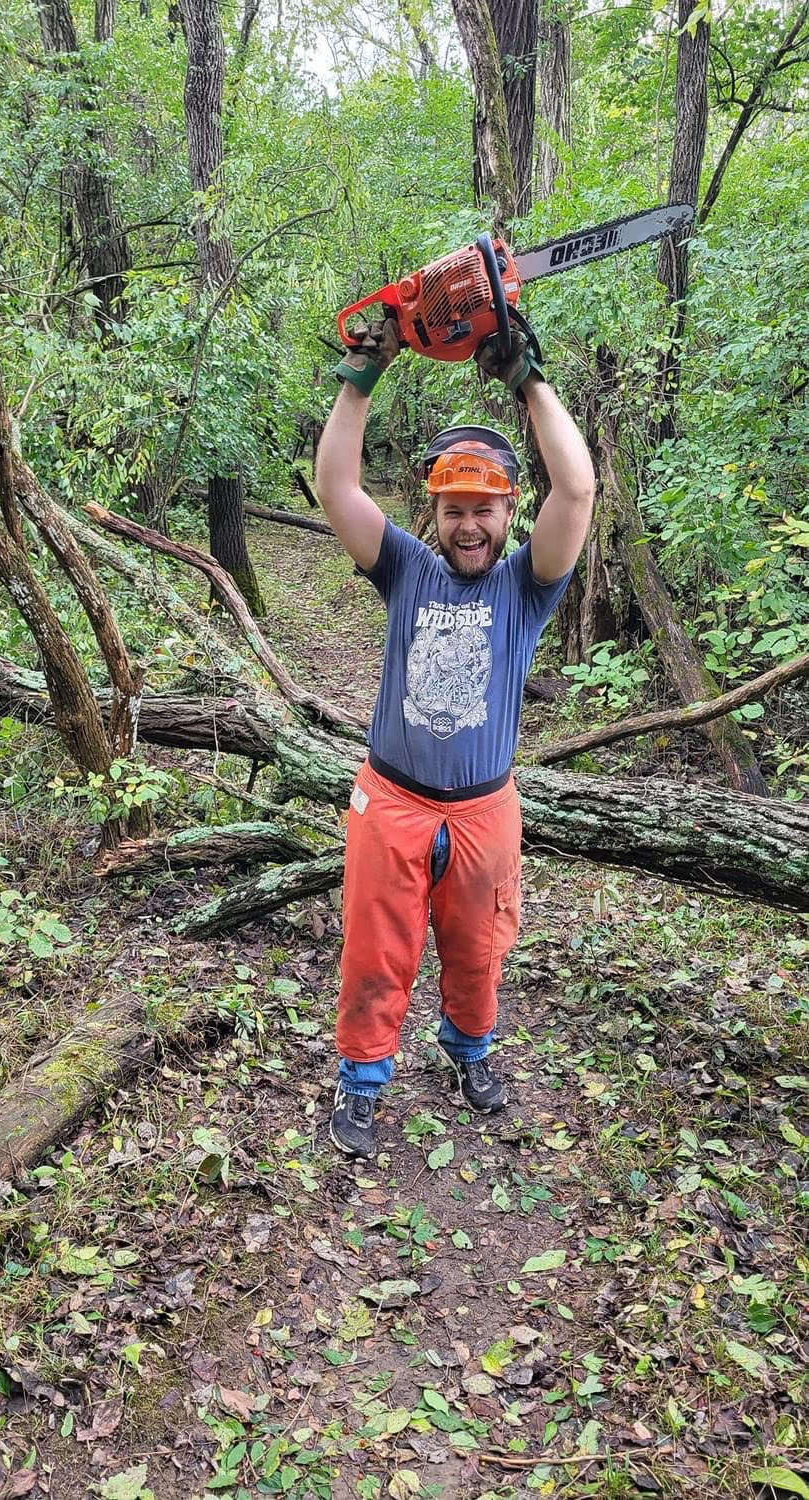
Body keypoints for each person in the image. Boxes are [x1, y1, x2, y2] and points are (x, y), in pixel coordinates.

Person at [314, 316, 594, 1159]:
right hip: (392, 799)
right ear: (432, 511)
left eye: (484, 509)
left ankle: (468, 1048)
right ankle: (362, 1079)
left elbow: (576, 492)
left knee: (478, 949)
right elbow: (336, 488)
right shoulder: (404, 565)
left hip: (482, 811)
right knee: (375, 948)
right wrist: (361, 377)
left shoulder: (528, 585)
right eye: (453, 509)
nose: (469, 526)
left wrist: (528, 381)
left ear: (509, 510)